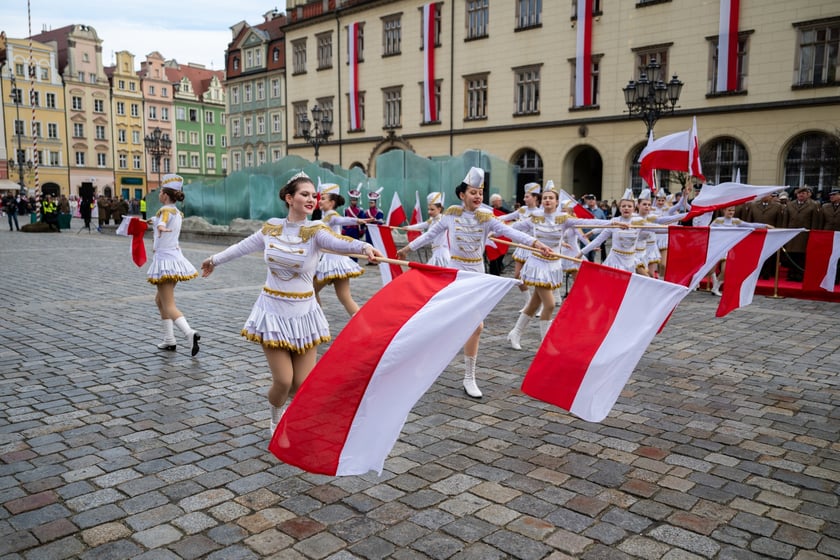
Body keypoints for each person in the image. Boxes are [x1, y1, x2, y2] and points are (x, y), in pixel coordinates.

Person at [200, 172, 381, 436]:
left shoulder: (316, 231)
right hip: (272, 312)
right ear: (289, 198)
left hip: (305, 315)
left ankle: (290, 415)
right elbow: (242, 246)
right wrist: (214, 260)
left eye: (313, 195)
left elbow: (338, 242)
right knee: (283, 381)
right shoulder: (272, 227)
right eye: (304, 194)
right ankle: (276, 419)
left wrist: (364, 248)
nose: (311, 199)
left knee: (302, 384)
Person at [397, 167, 552, 398]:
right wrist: (407, 249)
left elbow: (511, 233)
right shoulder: (450, 214)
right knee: (449, 321)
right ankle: (418, 360)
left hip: (477, 275)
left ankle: (469, 376)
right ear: (462, 195)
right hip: (456, 273)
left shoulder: (486, 218)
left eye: (480, 192)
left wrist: (537, 244)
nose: (478, 196)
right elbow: (430, 234)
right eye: (473, 192)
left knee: (476, 326)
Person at [506, 183, 613, 349]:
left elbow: (587, 221)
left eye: (551, 198)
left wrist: (613, 223)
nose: (548, 200)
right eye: (545, 198)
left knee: (535, 303)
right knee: (549, 304)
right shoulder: (534, 217)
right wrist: (493, 230)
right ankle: (546, 344)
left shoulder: (564, 220)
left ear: (557, 202)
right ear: (542, 201)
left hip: (553, 264)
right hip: (537, 264)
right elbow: (514, 228)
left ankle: (516, 332)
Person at [146, 174, 201, 356]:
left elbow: (163, 222)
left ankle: (189, 333)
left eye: (161, 191)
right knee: (159, 300)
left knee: (169, 304)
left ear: (165, 195)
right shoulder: (176, 212)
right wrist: (154, 223)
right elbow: (162, 221)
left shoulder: (164, 211)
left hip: (165, 261)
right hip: (175, 260)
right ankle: (169, 340)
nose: (159, 194)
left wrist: (160, 225)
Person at [314, 182, 375, 316]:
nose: (320, 201)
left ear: (332, 202)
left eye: (323, 198)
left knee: (311, 292)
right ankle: (362, 326)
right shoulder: (324, 216)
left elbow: (341, 220)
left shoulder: (331, 215)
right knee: (345, 298)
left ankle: (318, 323)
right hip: (338, 261)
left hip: (330, 262)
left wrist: (357, 221)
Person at [707, 206, 769, 295]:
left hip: (728, 249)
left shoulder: (736, 221)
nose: (731, 212)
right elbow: (709, 231)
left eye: (733, 210)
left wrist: (764, 225)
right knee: (710, 271)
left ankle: (716, 287)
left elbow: (750, 225)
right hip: (717, 248)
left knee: (725, 270)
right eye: (729, 210)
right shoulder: (717, 220)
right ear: (724, 211)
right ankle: (711, 279)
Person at [495, 182, 541, 300]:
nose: (524, 199)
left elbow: (522, 226)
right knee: (517, 276)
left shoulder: (540, 213)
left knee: (536, 279)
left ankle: (540, 303)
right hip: (522, 246)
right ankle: (528, 302)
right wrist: (491, 220)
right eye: (524, 196)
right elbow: (507, 217)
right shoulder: (522, 210)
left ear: (535, 197)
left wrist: (511, 226)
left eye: (527, 196)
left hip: (533, 246)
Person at [782, 186, 821, 281]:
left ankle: (800, 275)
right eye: (799, 193)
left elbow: (815, 221)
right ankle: (791, 274)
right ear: (796, 194)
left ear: (807, 195)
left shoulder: (813, 205)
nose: (801, 195)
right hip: (791, 234)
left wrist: (813, 234)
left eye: (803, 193)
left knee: (801, 256)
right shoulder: (790, 205)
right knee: (791, 255)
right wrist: (784, 232)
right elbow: (785, 220)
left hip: (805, 235)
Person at [401, 192, 450, 266]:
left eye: (432, 209)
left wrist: (406, 249)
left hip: (441, 255)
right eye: (428, 209)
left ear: (439, 209)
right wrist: (408, 228)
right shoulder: (433, 219)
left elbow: (427, 236)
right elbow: (423, 225)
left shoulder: (441, 221)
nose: (429, 212)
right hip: (436, 253)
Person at [745, 193, 785, 279]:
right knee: (756, 254)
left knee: (769, 254)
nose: (764, 197)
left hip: (770, 234)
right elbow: (749, 220)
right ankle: (757, 272)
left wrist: (778, 232)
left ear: (770, 196)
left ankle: (767, 272)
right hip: (756, 234)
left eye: (767, 195)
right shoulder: (753, 205)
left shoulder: (777, 207)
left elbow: (779, 221)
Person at [487, 193, 512, 275]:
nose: (500, 202)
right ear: (493, 202)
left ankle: (498, 269)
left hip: (502, 236)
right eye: (498, 201)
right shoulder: (488, 210)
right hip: (492, 237)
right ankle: (494, 272)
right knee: (493, 256)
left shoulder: (505, 211)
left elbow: (511, 217)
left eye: (500, 201)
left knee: (500, 256)